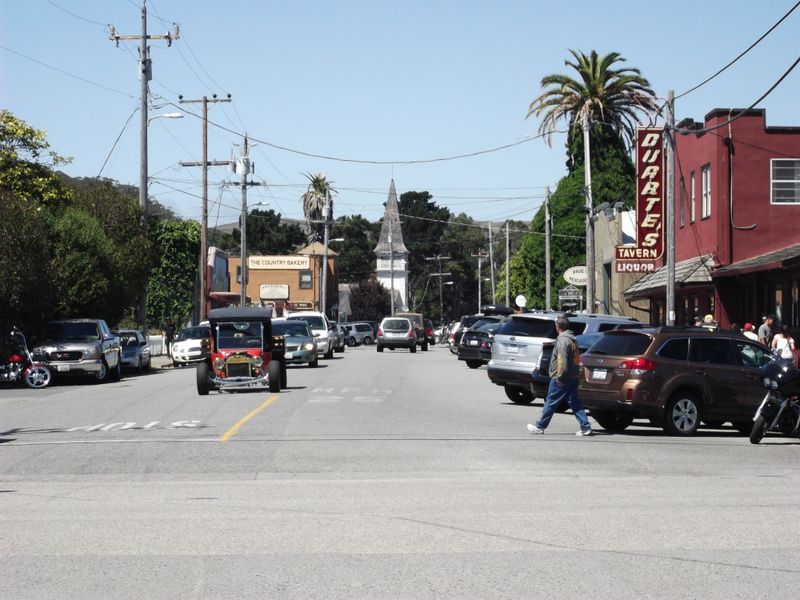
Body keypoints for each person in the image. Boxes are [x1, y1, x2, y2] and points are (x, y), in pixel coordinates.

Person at [527, 316, 593, 436]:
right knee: (574, 402)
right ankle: (585, 427)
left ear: (558, 327)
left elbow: (562, 360)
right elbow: (576, 359)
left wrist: (560, 377)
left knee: (551, 401)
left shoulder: (562, 340)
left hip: (562, 377)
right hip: (572, 376)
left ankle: (540, 426)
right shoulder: (573, 339)